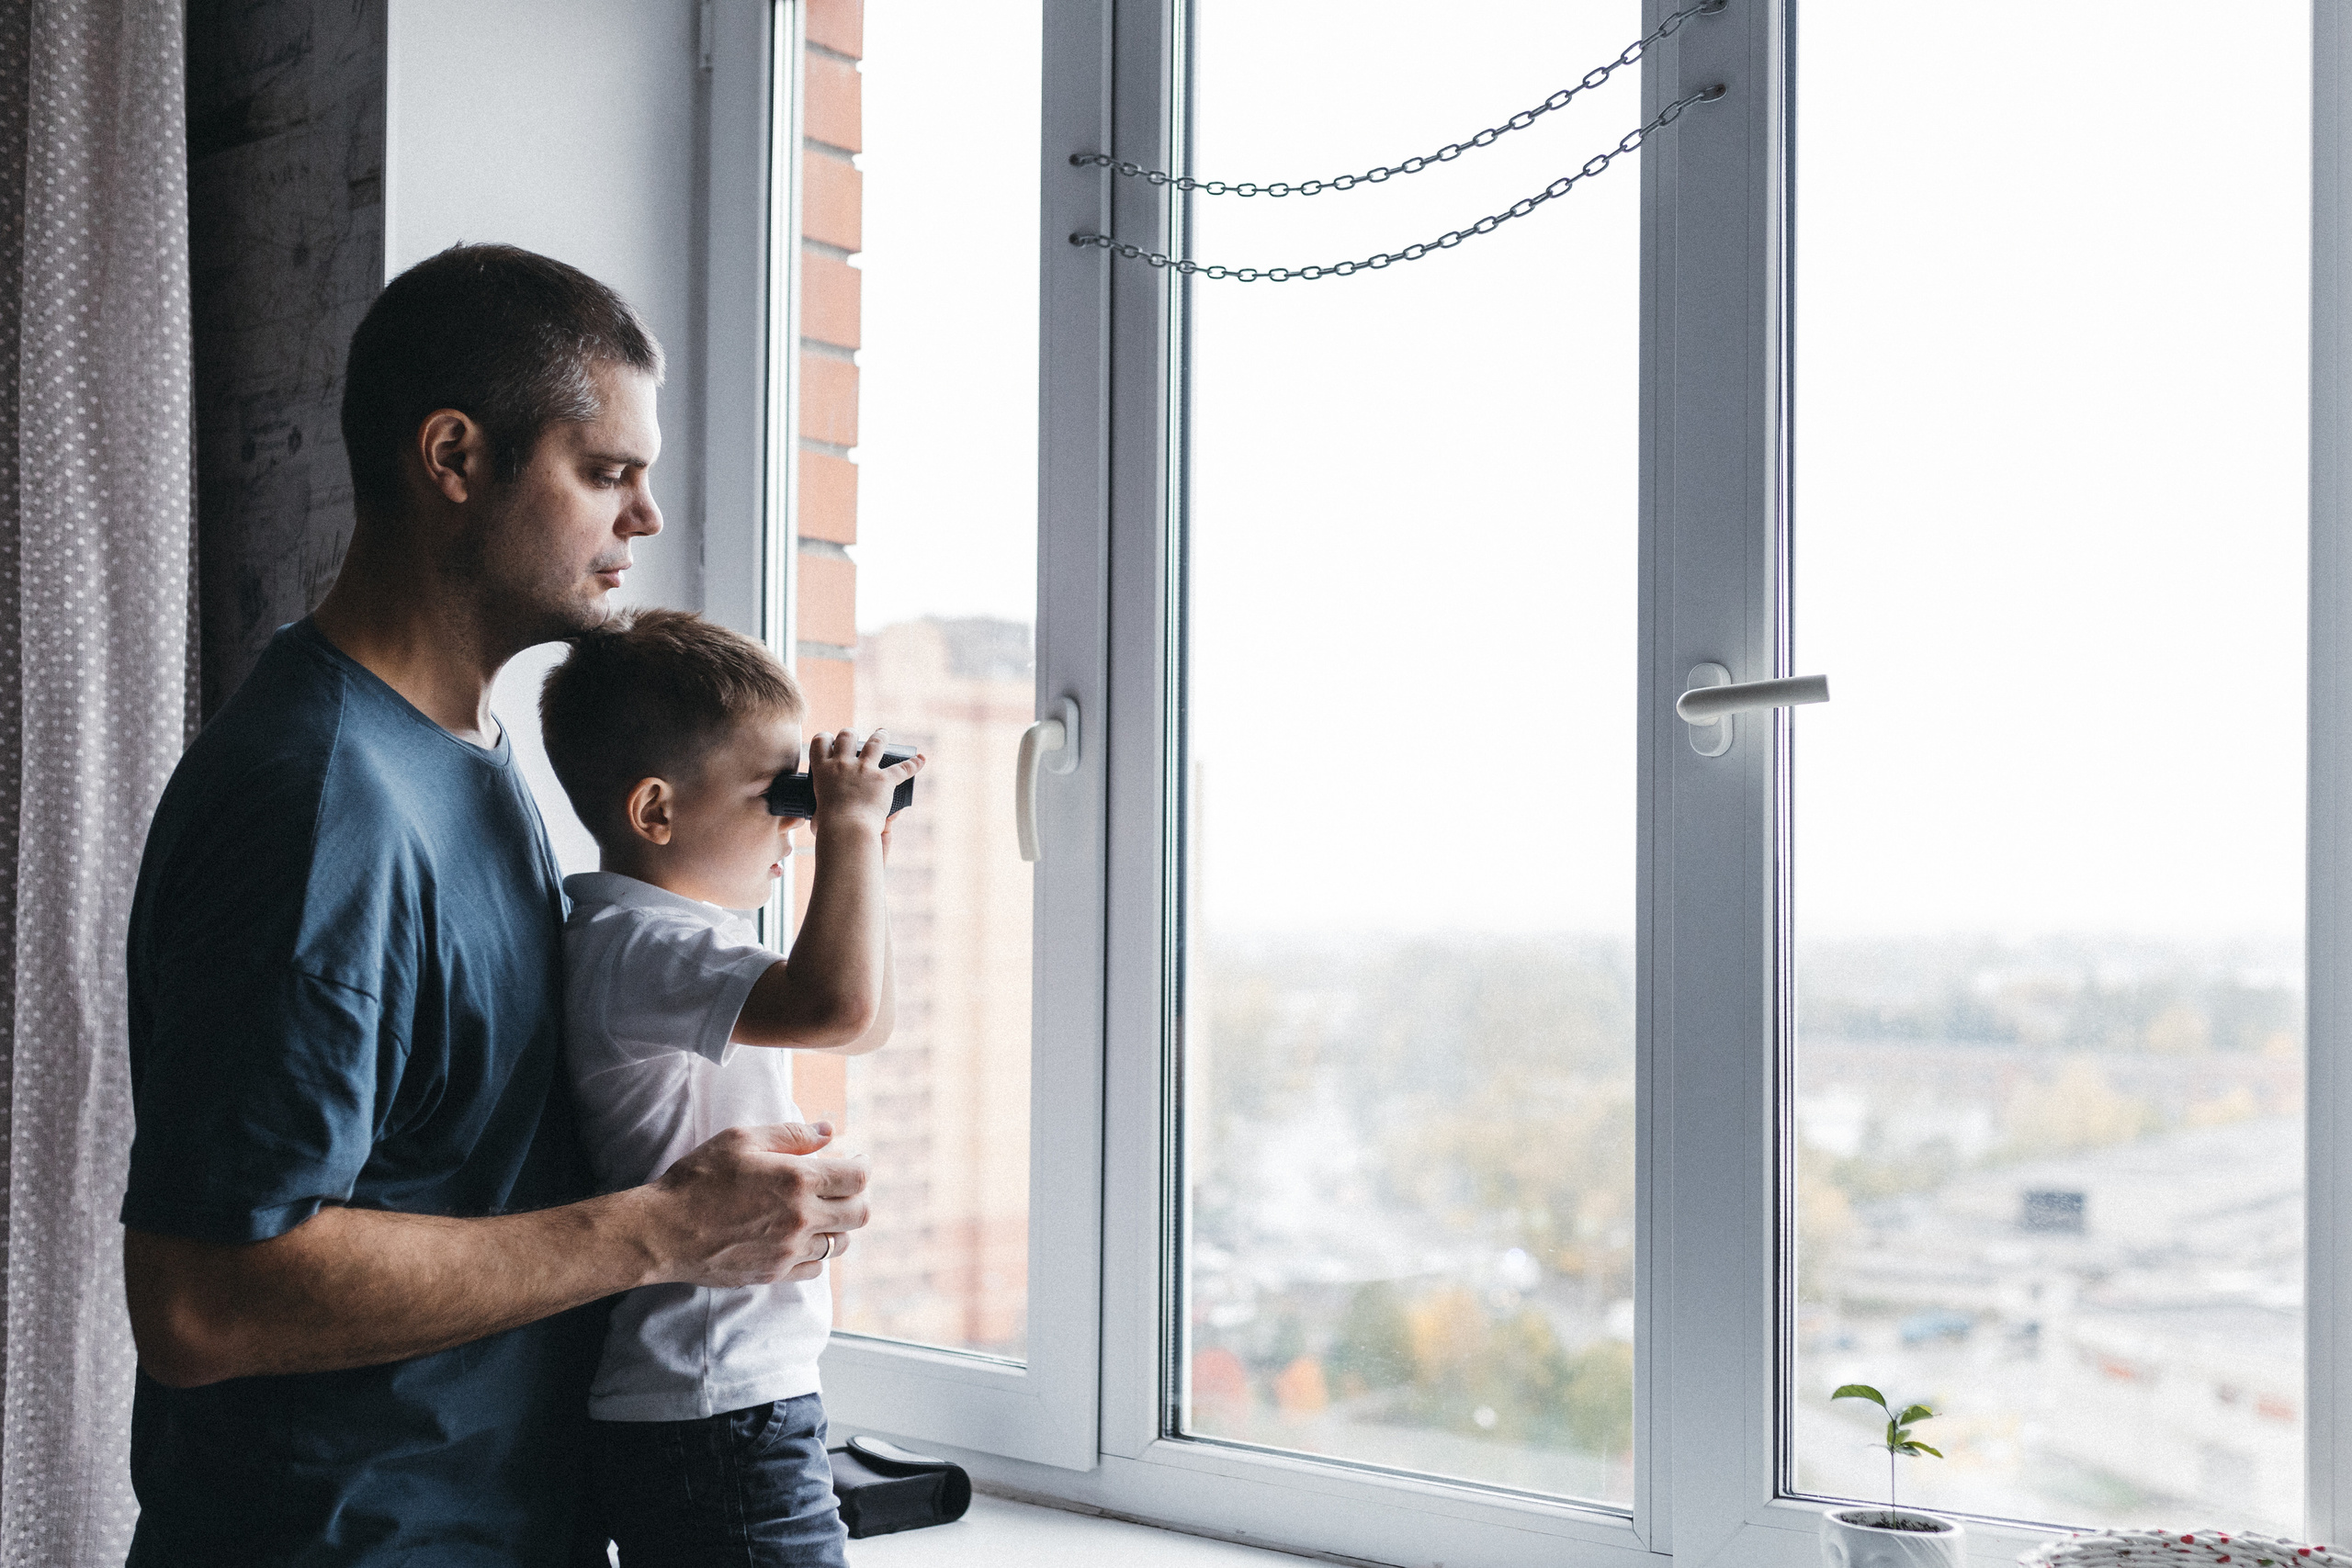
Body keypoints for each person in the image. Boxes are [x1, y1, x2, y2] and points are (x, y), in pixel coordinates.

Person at [119, 243, 868, 1567]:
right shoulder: (314, 802)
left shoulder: (468, 753)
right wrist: (667, 1227)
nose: (641, 520)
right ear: (454, 456)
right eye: (606, 471)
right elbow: (204, 1300)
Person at [537, 608, 921, 1567]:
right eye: (778, 796)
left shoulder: (641, 942)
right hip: (714, 1404)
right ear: (655, 812)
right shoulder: (642, 944)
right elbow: (836, 1007)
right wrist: (847, 829)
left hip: (714, 1396)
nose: (795, 824)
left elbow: (864, 1021)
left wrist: (860, 846)